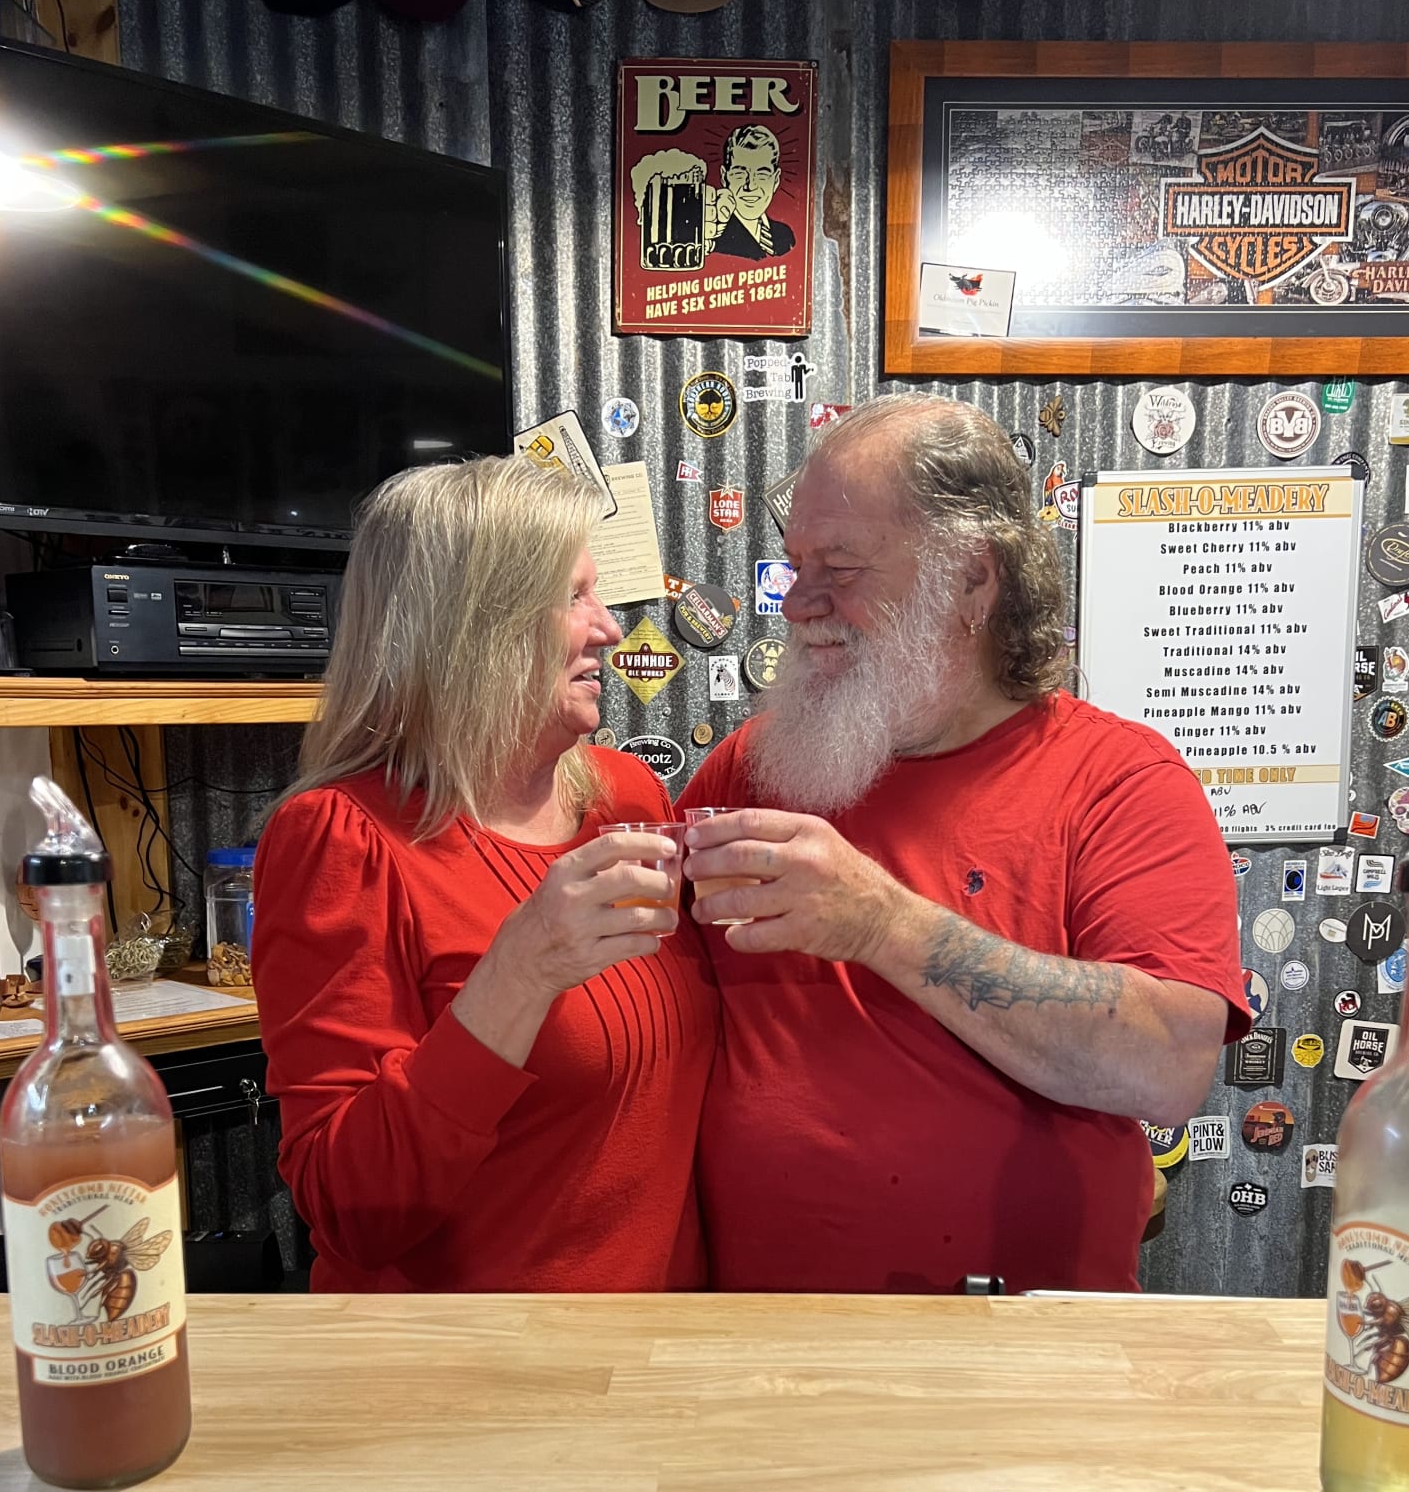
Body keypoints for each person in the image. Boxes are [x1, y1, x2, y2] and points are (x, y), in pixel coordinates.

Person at [678, 395, 1248, 1296]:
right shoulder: (753, 765)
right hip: (762, 1336)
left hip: (1019, 1340)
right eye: (795, 564)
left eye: (841, 567)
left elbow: (1168, 1063)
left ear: (974, 580)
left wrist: (881, 924)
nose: (797, 602)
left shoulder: (1118, 780)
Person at [253, 455, 717, 1294]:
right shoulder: (342, 838)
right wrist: (519, 974)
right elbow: (350, 1208)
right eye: (574, 597)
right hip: (470, 1358)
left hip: (658, 1346)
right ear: (475, 627)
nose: (610, 630)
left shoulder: (628, 796)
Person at [705, 124, 796, 260]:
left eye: (762, 174)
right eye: (740, 173)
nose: (751, 186)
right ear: (724, 177)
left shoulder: (785, 235)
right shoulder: (712, 238)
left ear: (776, 179)